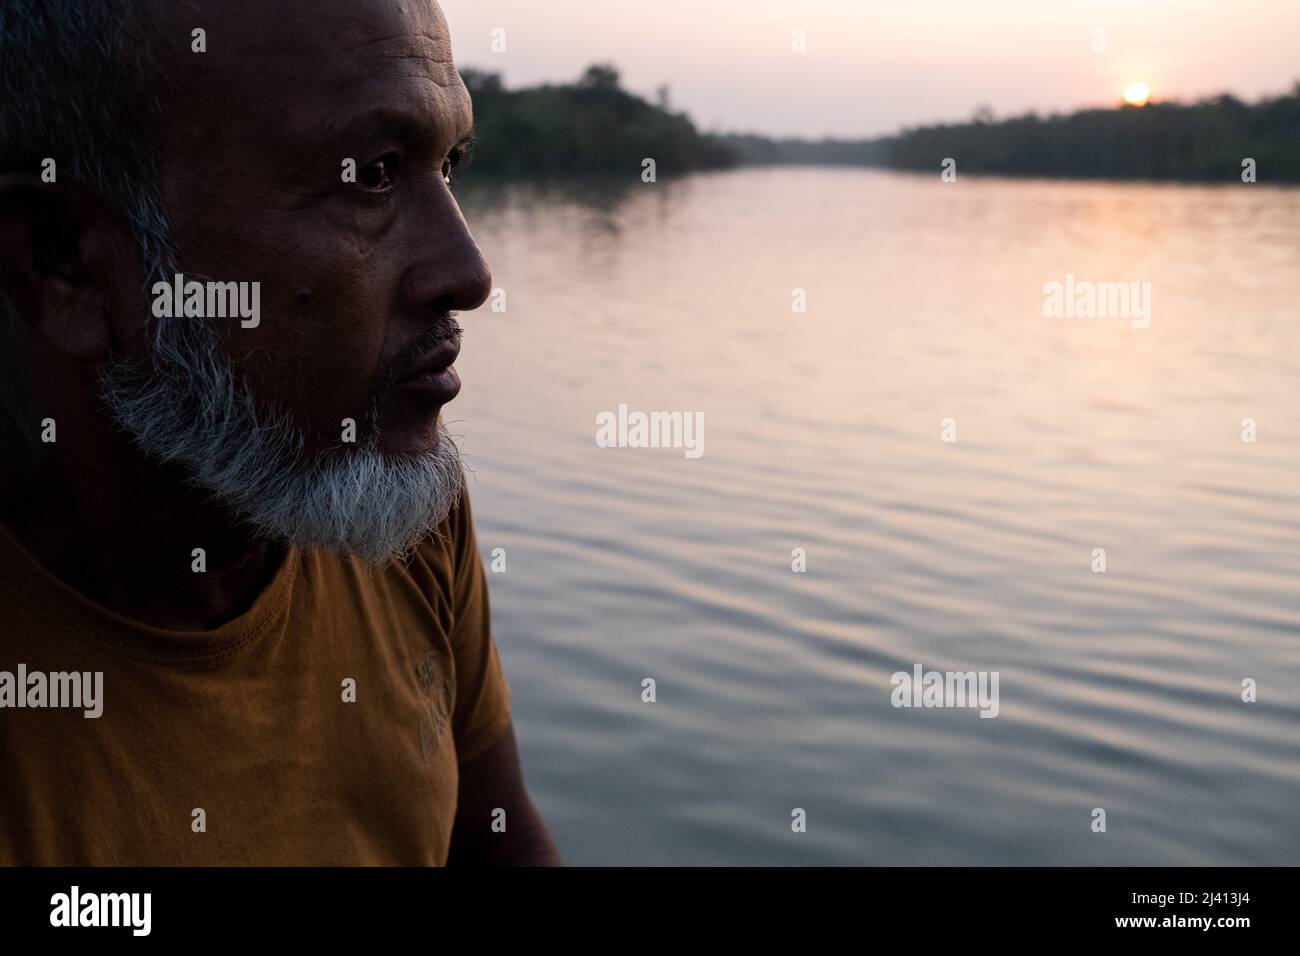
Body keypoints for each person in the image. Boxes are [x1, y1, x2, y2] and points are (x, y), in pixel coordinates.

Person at [0, 0, 560, 865]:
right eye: (372, 175)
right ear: (64, 262)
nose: (469, 273)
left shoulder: (394, 507)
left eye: (449, 164)